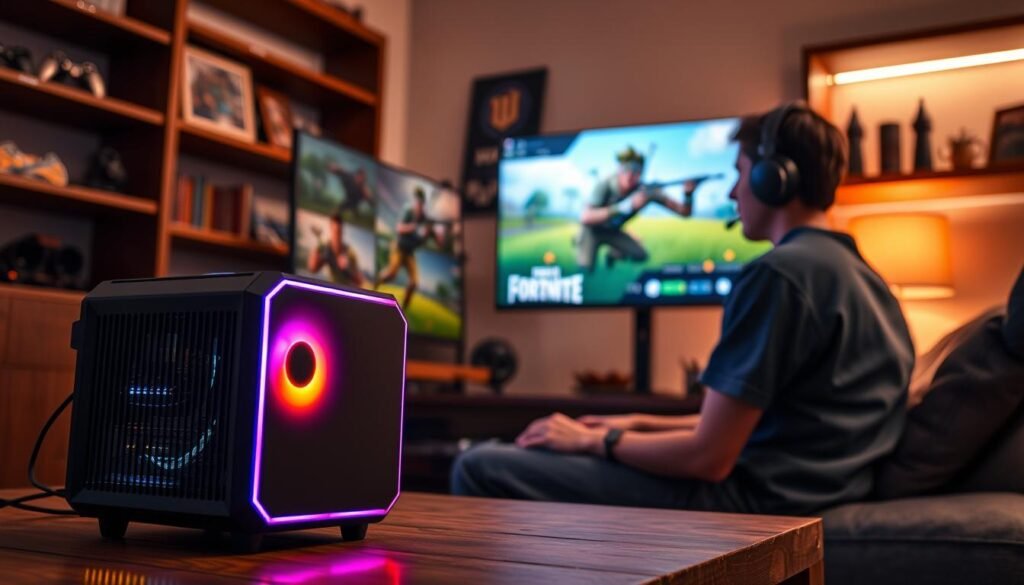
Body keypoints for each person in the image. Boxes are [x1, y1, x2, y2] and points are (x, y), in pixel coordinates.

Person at [451, 102, 915, 517]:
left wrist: (596, 441)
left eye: (740, 172)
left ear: (772, 179)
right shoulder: (870, 283)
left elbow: (708, 458)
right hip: (806, 494)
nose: (735, 192)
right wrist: (636, 422)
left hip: (751, 505)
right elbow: (762, 425)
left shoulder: (780, 276)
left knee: (480, 466)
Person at [576, 146, 695, 271]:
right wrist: (623, 207)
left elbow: (684, 212)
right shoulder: (605, 184)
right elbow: (586, 217)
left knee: (640, 255)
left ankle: (613, 254)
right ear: (619, 169)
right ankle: (580, 243)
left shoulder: (644, 192)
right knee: (586, 269)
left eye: (636, 171)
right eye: (626, 169)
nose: (630, 175)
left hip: (613, 232)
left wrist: (688, 195)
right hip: (592, 231)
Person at [375, 187, 443, 309]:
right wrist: (412, 227)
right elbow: (399, 228)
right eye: (417, 202)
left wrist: (436, 234)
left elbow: (439, 243)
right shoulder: (408, 211)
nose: (418, 205)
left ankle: (403, 309)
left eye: (421, 203)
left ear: (423, 205)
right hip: (399, 248)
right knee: (391, 274)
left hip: (410, 253)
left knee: (414, 283)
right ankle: (376, 284)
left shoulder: (426, 220)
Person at [307, 211, 365, 287]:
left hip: (347, 290)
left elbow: (360, 281)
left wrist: (348, 269)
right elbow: (312, 269)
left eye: (339, 232)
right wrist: (318, 254)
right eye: (335, 232)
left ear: (342, 232)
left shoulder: (350, 252)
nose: (337, 236)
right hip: (332, 289)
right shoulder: (324, 247)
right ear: (331, 229)